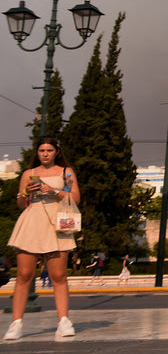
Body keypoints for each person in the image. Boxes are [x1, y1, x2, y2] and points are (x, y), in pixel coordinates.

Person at [4, 137, 81, 340]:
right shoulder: (29, 174)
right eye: (41, 150)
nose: (45, 154)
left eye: (49, 150)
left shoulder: (67, 172)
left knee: (58, 276)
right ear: (36, 153)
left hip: (58, 223)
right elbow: (21, 204)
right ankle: (16, 323)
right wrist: (24, 192)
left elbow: (75, 198)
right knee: (23, 275)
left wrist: (53, 191)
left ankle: (64, 321)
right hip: (32, 220)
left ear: (57, 151)